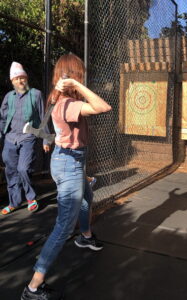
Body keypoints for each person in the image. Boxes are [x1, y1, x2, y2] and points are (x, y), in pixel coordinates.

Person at [21, 53, 111, 300]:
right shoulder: (68, 104)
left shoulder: (57, 97)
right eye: (80, 74)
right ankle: (33, 287)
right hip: (69, 164)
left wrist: (66, 85)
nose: (83, 77)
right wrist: (77, 84)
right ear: (74, 77)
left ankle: (85, 237)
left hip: (68, 160)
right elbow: (103, 107)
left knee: (87, 196)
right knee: (62, 227)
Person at [0, 62, 50, 215]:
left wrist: (46, 139)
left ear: (26, 78)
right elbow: (2, 118)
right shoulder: (9, 97)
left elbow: (43, 117)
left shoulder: (35, 94)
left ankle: (30, 197)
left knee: (23, 168)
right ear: (12, 81)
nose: (20, 81)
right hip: (10, 138)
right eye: (16, 79)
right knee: (10, 171)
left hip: (28, 137)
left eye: (22, 78)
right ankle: (14, 202)